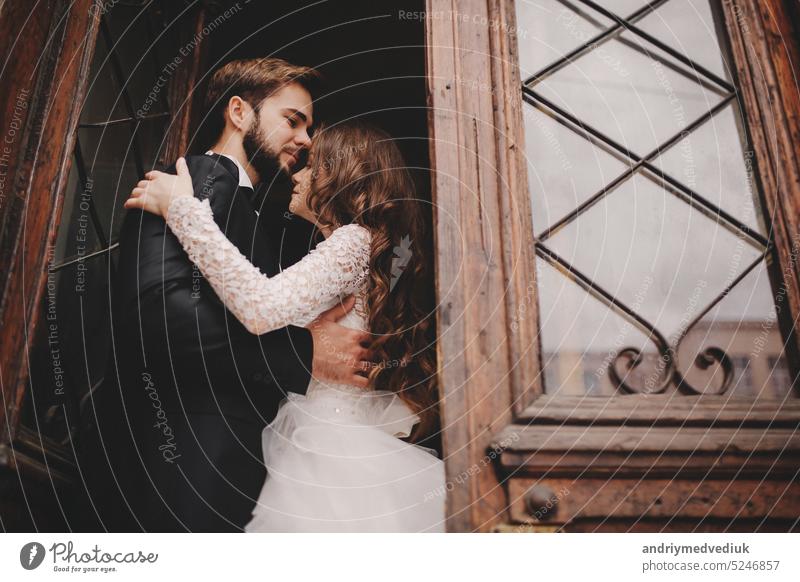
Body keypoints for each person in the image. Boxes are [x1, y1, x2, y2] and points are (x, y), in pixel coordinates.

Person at [124, 121, 445, 532]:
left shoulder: (352, 241)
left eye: (313, 166)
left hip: (327, 447)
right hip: (334, 436)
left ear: (342, 174)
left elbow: (260, 307)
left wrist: (183, 210)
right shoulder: (363, 247)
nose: (297, 175)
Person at [97, 58, 373, 532]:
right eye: (293, 120)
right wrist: (305, 352)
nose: (307, 141)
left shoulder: (264, 219)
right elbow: (161, 320)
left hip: (238, 463)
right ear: (239, 112)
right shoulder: (196, 180)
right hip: (189, 457)